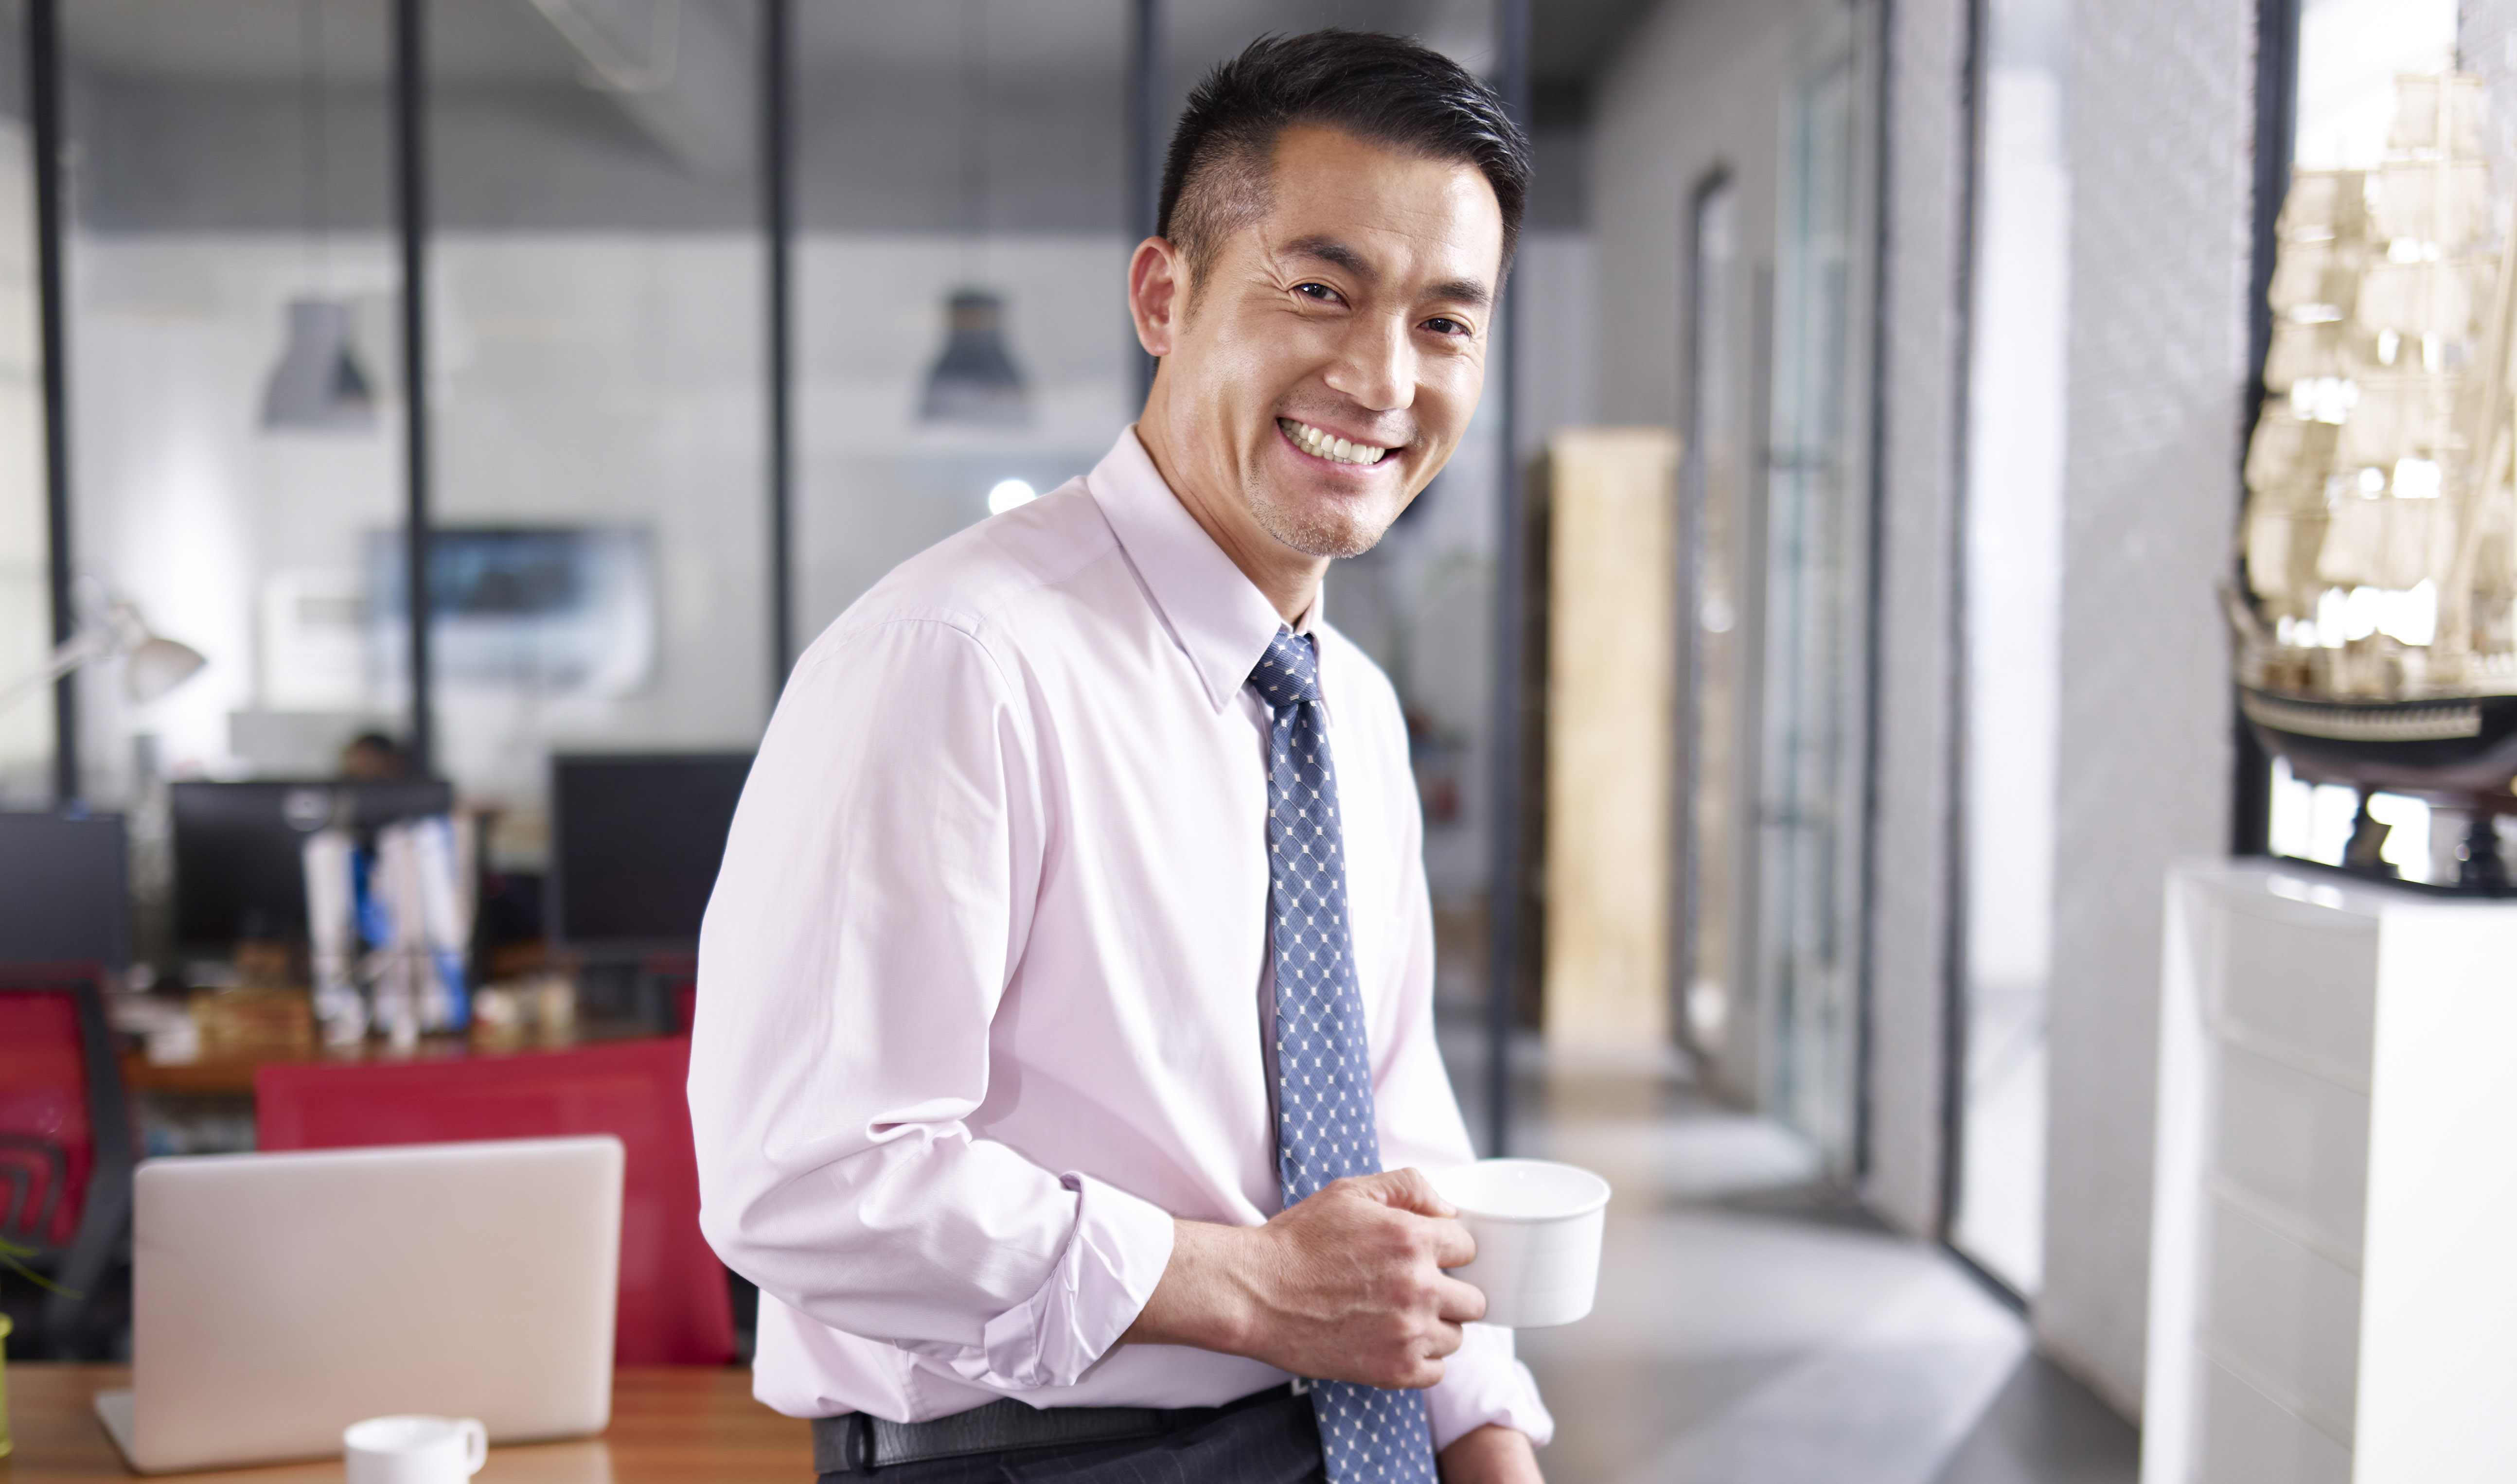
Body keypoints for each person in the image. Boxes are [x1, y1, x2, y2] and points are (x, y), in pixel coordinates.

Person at [690, 30, 1548, 1484]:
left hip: (1351, 1441)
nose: (1381, 377)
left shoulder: (1350, 709)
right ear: (1168, 294)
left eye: (1445, 323)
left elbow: (1397, 1154)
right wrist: (1254, 1288)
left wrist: (1490, 1439)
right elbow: (804, 1173)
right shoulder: (957, 661)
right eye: (1322, 290)